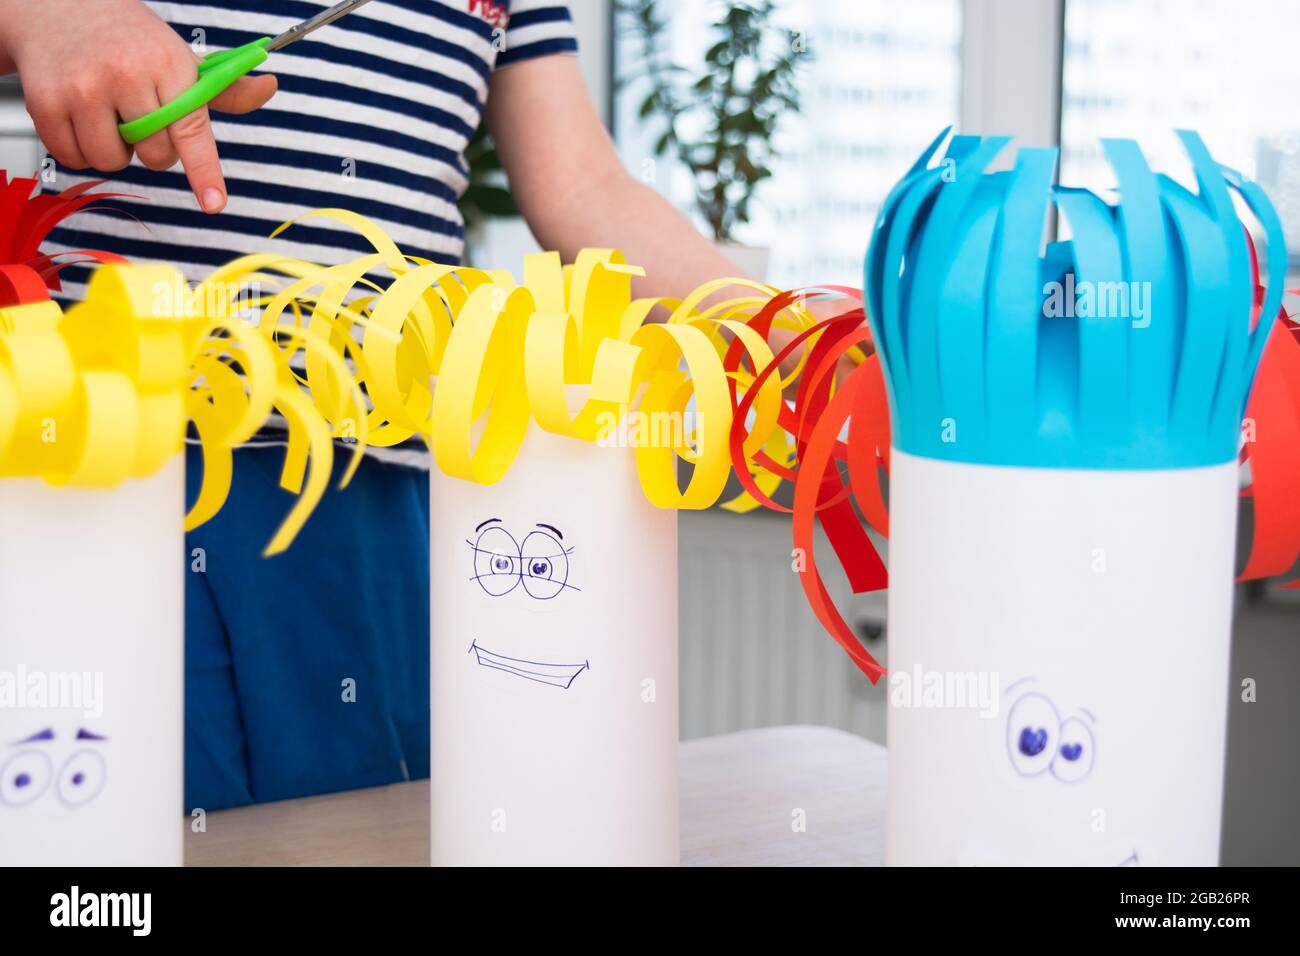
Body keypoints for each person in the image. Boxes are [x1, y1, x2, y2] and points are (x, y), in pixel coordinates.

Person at [0, 0, 781, 809]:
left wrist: (774, 328)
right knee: (106, 825)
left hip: (381, 494)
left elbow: (585, 187)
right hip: (99, 482)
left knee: (360, 824)